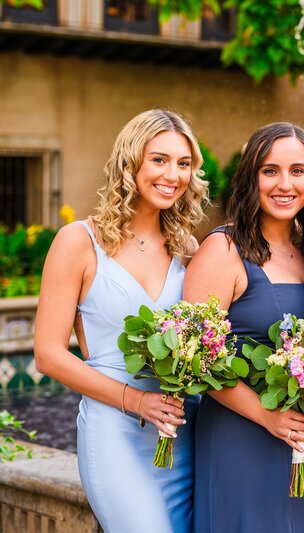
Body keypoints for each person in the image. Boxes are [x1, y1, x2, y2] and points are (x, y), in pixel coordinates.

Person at [33, 109, 207, 532]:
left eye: (184, 163)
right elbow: (48, 355)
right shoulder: (79, 242)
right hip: (117, 432)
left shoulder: (187, 246)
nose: (174, 174)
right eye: (160, 159)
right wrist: (136, 401)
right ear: (131, 163)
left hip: (184, 434)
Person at [184, 122, 304, 532]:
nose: (285, 184)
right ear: (252, 177)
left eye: (298, 171)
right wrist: (268, 418)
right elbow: (195, 360)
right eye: (270, 171)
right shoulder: (223, 249)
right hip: (242, 434)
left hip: (303, 434)